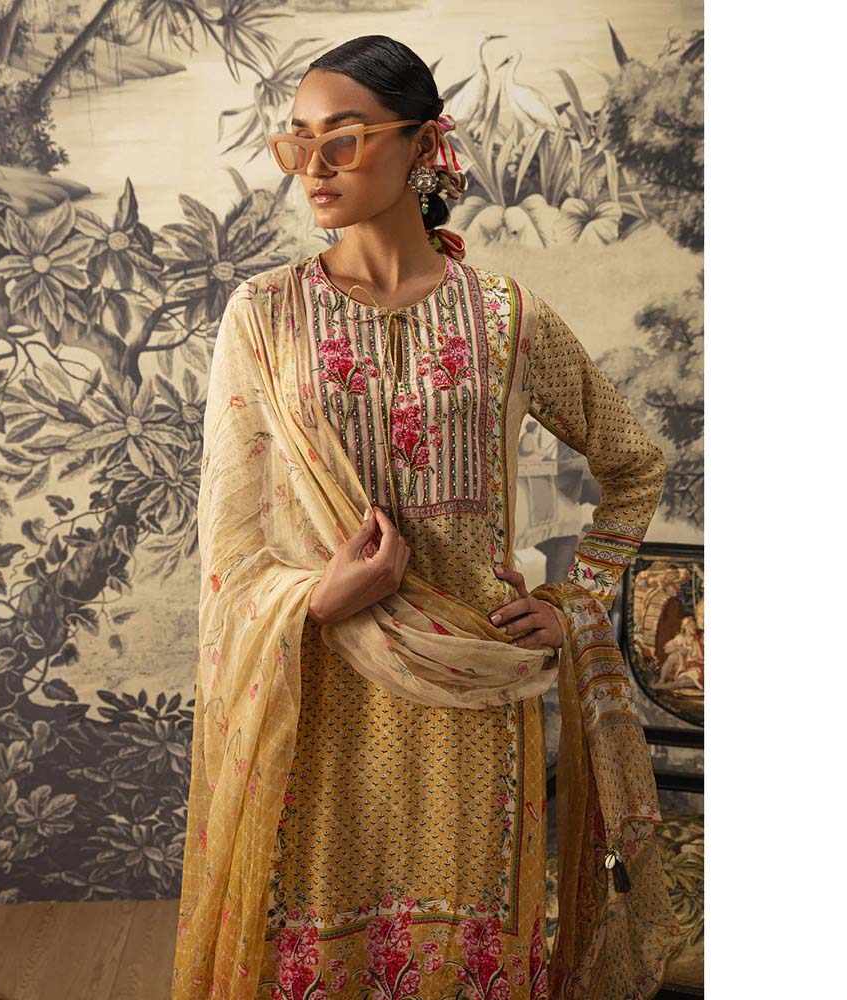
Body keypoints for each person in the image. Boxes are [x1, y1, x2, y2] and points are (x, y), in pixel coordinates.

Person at [172, 34, 682, 1000]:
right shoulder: (265, 314)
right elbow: (231, 544)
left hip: (475, 691)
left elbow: (633, 463)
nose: (312, 167)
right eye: (297, 141)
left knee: (475, 943)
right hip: (321, 687)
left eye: (343, 139)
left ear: (423, 144)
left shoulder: (506, 317)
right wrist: (315, 600)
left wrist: (577, 600)